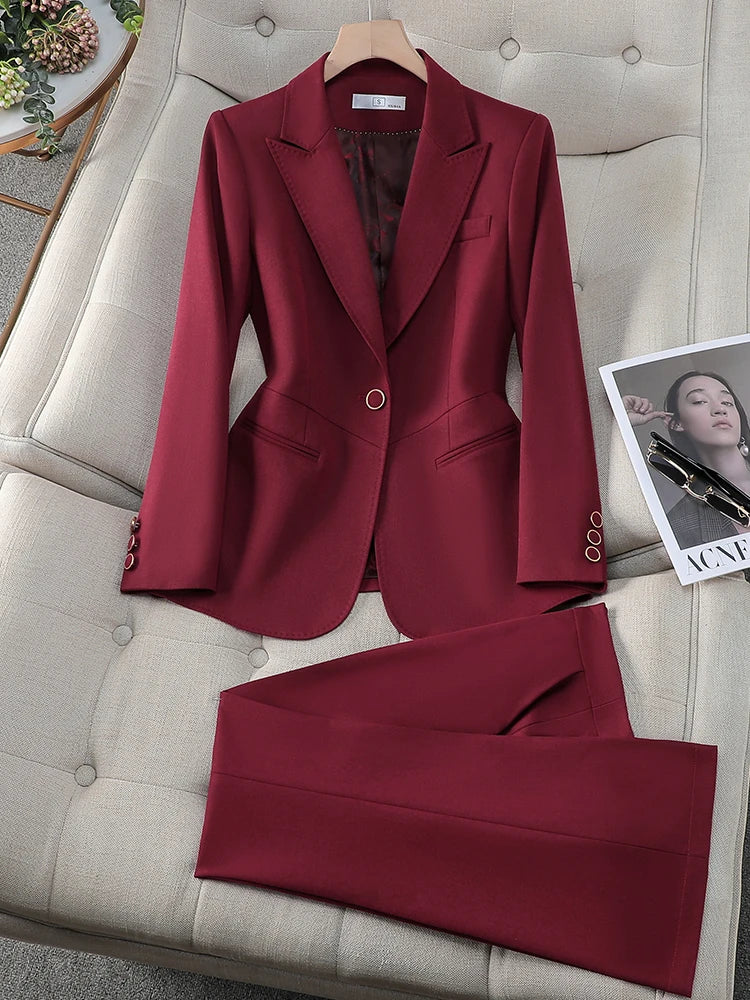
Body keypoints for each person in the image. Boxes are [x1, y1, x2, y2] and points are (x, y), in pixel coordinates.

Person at [623, 370, 750, 548]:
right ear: (676, 423)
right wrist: (620, 420)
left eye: (727, 402)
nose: (720, 409)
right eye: (699, 401)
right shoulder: (680, 524)